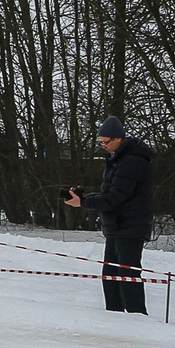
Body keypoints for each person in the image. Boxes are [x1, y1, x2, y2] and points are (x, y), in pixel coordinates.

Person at [65, 117, 155, 314]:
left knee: (126, 276)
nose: (103, 146)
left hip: (129, 227)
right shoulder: (118, 160)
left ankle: (136, 318)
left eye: (106, 142)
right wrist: (86, 197)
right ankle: (114, 317)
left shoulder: (131, 162)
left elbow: (115, 198)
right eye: (101, 142)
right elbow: (111, 195)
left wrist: (83, 203)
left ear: (119, 139)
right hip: (117, 227)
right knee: (111, 276)